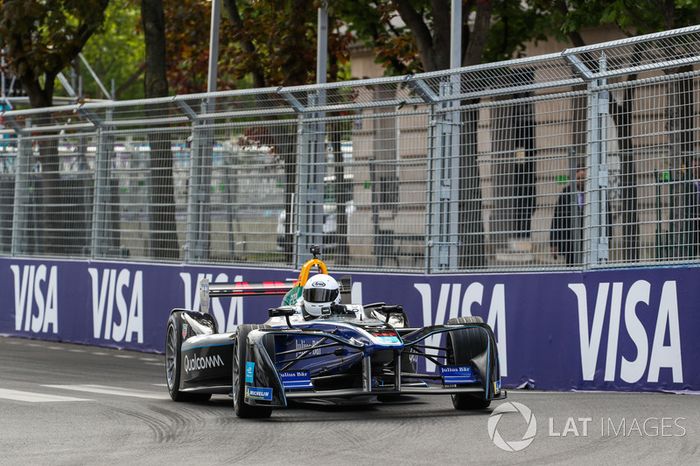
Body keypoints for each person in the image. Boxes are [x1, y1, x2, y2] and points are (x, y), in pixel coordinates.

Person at [550, 166, 586, 266]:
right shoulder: (566, 193)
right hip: (570, 240)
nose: (581, 181)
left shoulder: (596, 193)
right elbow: (557, 218)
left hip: (589, 241)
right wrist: (553, 243)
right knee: (572, 268)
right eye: (578, 178)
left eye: (583, 178)